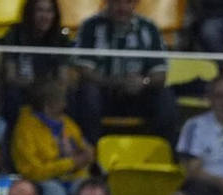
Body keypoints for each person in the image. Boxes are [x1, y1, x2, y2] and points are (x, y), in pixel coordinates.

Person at [71, 0, 179, 144]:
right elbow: (84, 72)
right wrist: (119, 82)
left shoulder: (149, 28)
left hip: (138, 96)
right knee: (87, 92)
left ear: (135, 4)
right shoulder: (91, 26)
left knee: (164, 95)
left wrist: (143, 82)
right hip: (103, 97)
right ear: (107, 3)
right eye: (117, 2)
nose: (122, 8)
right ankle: (90, 153)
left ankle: (165, 153)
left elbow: (160, 75)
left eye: (127, 2)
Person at [11, 78, 94, 195]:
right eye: (61, 100)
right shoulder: (25, 129)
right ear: (47, 105)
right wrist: (70, 164)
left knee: (89, 191)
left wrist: (86, 154)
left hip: (71, 176)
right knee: (55, 191)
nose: (65, 105)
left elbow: (84, 150)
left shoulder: (66, 122)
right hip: (43, 179)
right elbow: (34, 171)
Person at [0, 0, 74, 115]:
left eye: (49, 11)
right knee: (11, 94)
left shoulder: (61, 39)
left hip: (50, 91)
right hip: (22, 88)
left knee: (70, 95)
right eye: (39, 10)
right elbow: (10, 76)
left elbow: (63, 78)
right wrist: (36, 85)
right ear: (30, 13)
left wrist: (50, 89)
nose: (44, 16)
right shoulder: (14, 34)